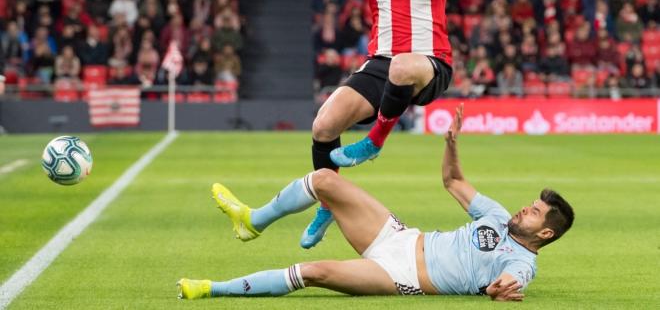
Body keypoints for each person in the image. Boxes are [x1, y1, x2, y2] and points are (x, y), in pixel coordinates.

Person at [259, 0, 503, 248]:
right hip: (380, 65)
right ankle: (328, 204)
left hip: (429, 64)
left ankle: (374, 142)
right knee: (324, 125)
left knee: (403, 65)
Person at [177, 104, 574, 301]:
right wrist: (451, 145)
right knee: (325, 179)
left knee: (312, 271)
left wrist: (503, 289)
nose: (525, 209)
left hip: (403, 277)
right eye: (530, 204)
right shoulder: (496, 214)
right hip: (400, 237)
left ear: (545, 232)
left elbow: (511, 281)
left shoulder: (522, 261)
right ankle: (253, 220)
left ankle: (211, 289)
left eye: (534, 212)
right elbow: (453, 180)